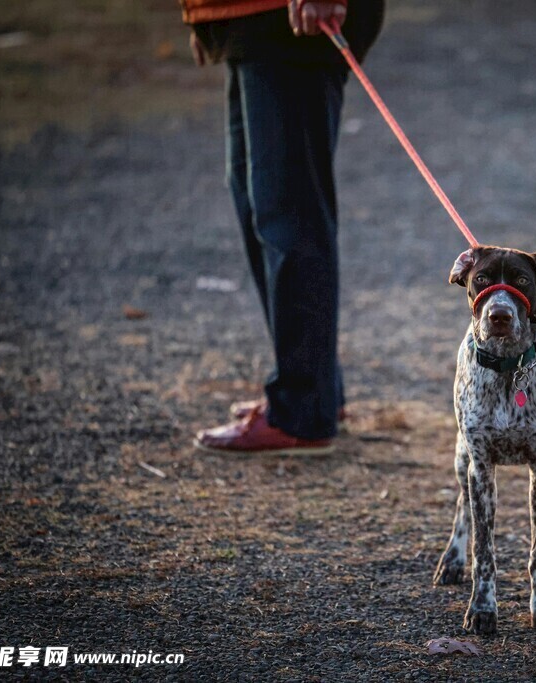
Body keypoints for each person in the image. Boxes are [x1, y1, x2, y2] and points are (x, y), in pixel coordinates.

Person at [182, 0, 384, 455]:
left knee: (288, 214)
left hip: (288, 22)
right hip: (250, 19)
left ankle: (302, 411)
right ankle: (314, 393)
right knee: (262, 204)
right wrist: (208, 18)